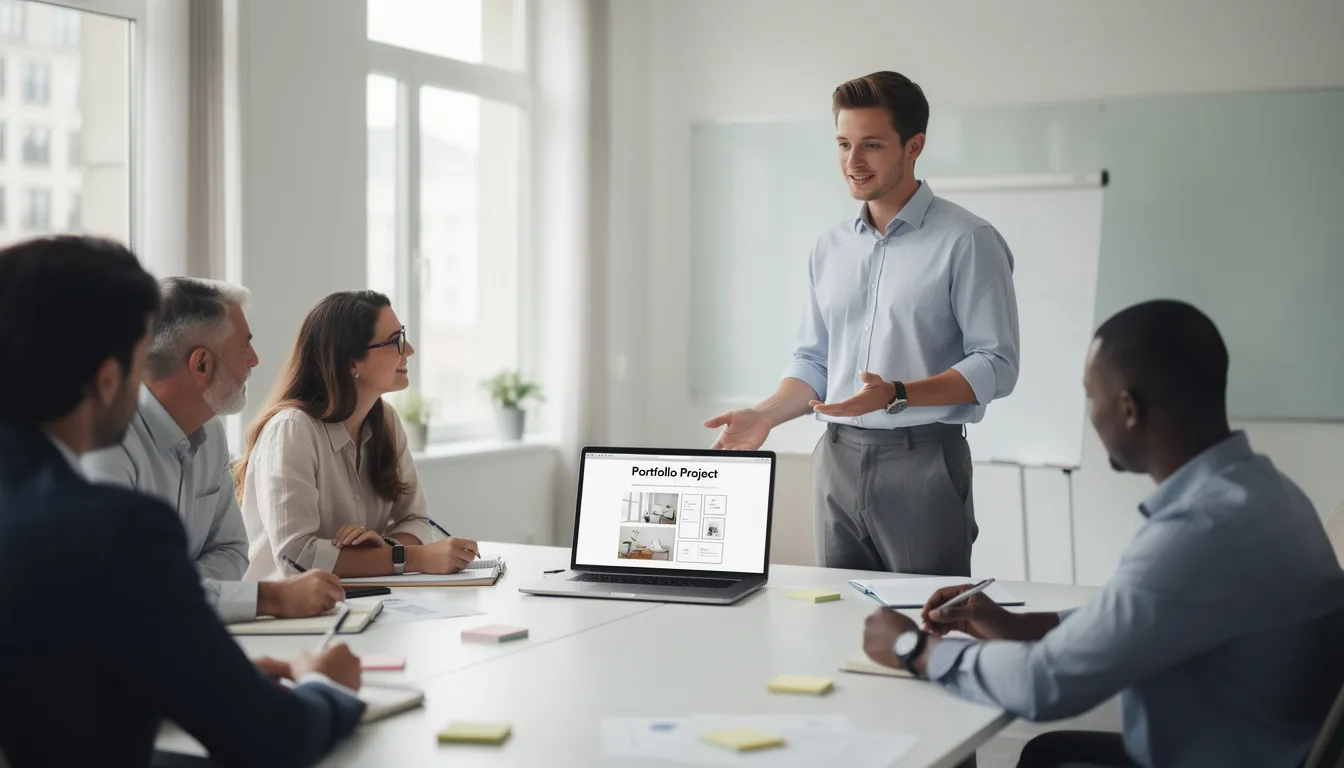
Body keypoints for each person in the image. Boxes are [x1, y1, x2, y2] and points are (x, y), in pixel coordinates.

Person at [861, 300, 1344, 768]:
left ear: (1128, 409)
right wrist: (1020, 626)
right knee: (1046, 754)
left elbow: (1044, 686)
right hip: (1269, 746)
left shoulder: (1196, 532)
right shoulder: (1270, 492)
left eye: (1092, 397)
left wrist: (915, 650)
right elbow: (1143, 612)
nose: (1091, 415)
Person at [0, 236, 365, 767]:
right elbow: (274, 739)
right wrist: (325, 684)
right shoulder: (112, 528)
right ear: (107, 379)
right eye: (138, 356)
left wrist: (185, 665)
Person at [703, 71, 1020, 576]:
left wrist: (897, 392)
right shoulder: (829, 247)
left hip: (923, 462)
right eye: (844, 144)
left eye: (871, 145)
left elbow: (996, 365)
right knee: (838, 621)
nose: (853, 162)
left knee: (925, 625)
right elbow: (813, 360)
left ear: (913, 146)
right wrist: (765, 415)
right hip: (835, 459)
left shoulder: (968, 240)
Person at [83, 277, 343, 622]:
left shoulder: (211, 431)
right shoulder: (105, 443)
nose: (255, 360)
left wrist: (172, 591)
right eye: (244, 347)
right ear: (201, 364)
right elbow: (120, 588)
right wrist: (267, 597)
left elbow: (233, 550)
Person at [235, 290, 477, 580]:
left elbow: (417, 520)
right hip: (287, 620)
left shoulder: (385, 420)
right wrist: (413, 557)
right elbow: (296, 558)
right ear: (351, 362)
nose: (409, 349)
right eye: (395, 341)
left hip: (361, 606)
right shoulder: (291, 430)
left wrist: (385, 549)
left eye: (404, 335)